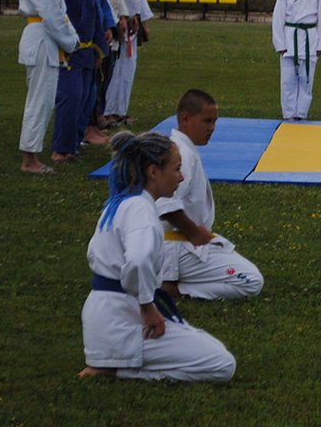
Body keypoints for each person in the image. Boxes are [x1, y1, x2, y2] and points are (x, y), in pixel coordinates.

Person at [79, 131, 236, 381]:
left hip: (105, 315)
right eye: (176, 169)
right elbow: (139, 261)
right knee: (222, 364)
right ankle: (115, 368)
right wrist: (147, 307)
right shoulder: (141, 211)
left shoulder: (122, 201)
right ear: (154, 172)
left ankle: (111, 362)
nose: (181, 176)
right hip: (121, 321)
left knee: (206, 343)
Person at [157, 90, 264, 300]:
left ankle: (169, 282)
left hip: (177, 243)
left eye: (214, 122)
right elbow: (164, 204)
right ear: (185, 118)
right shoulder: (182, 154)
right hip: (174, 246)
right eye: (207, 121)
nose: (212, 128)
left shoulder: (179, 148)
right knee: (251, 281)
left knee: (231, 259)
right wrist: (195, 232)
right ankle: (175, 289)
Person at [17, 0, 80, 174]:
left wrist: (69, 39)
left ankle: (32, 155)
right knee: (39, 101)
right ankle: (29, 160)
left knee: (43, 101)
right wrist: (71, 42)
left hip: (48, 38)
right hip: (42, 38)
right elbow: (51, 14)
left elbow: (56, 13)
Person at [51, 0, 108, 163]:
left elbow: (97, 15)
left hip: (87, 50)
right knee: (70, 97)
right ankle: (60, 150)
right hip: (66, 50)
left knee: (86, 98)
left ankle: (73, 144)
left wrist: (100, 48)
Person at [105, 0, 154, 126]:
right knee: (117, 66)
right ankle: (110, 110)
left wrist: (143, 17)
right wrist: (129, 13)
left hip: (133, 18)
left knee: (128, 66)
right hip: (123, 17)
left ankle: (121, 109)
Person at [86, 0, 129, 137]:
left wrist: (123, 15)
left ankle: (97, 116)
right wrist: (111, 23)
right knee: (99, 76)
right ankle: (93, 120)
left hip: (111, 22)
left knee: (106, 75)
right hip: (103, 26)